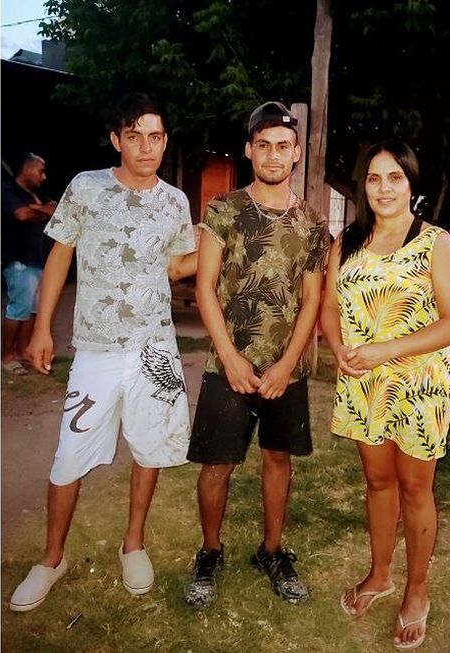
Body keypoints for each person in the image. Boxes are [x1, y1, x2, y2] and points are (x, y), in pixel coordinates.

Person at [9, 93, 198, 611]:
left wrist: (210, 247)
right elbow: (59, 256)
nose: (146, 147)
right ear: (117, 140)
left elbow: (177, 266)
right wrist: (41, 328)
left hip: (156, 348)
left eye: (155, 137)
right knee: (69, 455)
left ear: (165, 141)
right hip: (95, 347)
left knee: (149, 448)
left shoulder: (176, 202)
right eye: (134, 136)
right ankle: (52, 557)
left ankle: (133, 544)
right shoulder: (86, 187)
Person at [184, 101, 329, 609]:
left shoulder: (312, 222)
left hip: (285, 369)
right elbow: (204, 288)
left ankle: (272, 551)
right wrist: (231, 357)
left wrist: (287, 365)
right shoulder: (223, 210)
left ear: (296, 154)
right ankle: (210, 551)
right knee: (216, 465)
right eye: (263, 145)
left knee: (277, 458)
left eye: (283, 146)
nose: (273, 155)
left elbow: (312, 299)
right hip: (229, 364)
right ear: (249, 150)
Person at [320, 140, 450, 650]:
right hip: (364, 384)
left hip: (419, 386)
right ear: (364, 185)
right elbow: (329, 308)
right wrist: (339, 348)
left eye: (395, 177)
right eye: (374, 178)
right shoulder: (347, 242)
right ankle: (380, 576)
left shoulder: (435, 242)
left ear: (411, 183)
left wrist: (387, 349)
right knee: (378, 482)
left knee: (416, 489)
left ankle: (417, 590)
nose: (384, 188)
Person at [1, 153, 56, 375]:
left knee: (33, 309)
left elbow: (55, 209)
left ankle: (23, 351)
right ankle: (7, 356)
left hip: (39, 260)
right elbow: (22, 215)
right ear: (27, 169)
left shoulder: (37, 193)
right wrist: (41, 210)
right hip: (20, 261)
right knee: (19, 309)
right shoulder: (8, 190)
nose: (44, 177)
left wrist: (36, 208)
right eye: (40, 171)